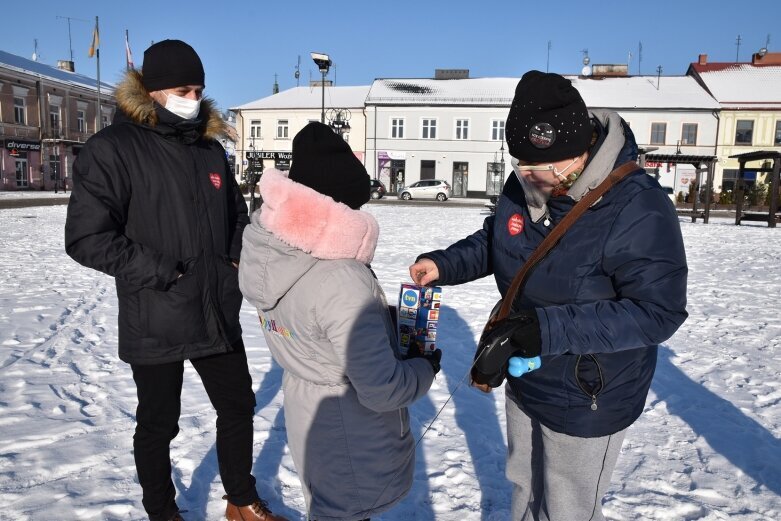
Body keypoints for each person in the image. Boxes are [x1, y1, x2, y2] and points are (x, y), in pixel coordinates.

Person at [409, 71, 688, 521]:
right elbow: (499, 238)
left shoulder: (637, 205)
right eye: (520, 165)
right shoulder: (532, 184)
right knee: (523, 486)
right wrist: (445, 264)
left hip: (589, 389)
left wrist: (547, 329)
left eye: (536, 169)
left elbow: (657, 312)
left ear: (575, 154)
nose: (526, 178)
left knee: (567, 507)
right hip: (527, 372)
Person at [64, 40, 287, 521]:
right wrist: (163, 270)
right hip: (157, 310)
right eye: (184, 88)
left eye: (200, 88)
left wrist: (232, 264)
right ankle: (163, 512)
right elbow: (86, 237)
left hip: (214, 308)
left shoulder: (209, 150)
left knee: (238, 406)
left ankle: (241, 499)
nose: (194, 97)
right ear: (152, 90)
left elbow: (236, 217)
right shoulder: (112, 149)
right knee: (158, 423)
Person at [238, 122, 440, 521]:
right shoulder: (341, 276)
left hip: (310, 417)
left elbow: (315, 330)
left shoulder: (273, 251)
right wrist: (424, 368)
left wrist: (380, 324)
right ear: (337, 209)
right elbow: (381, 389)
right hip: (353, 434)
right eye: (355, 208)